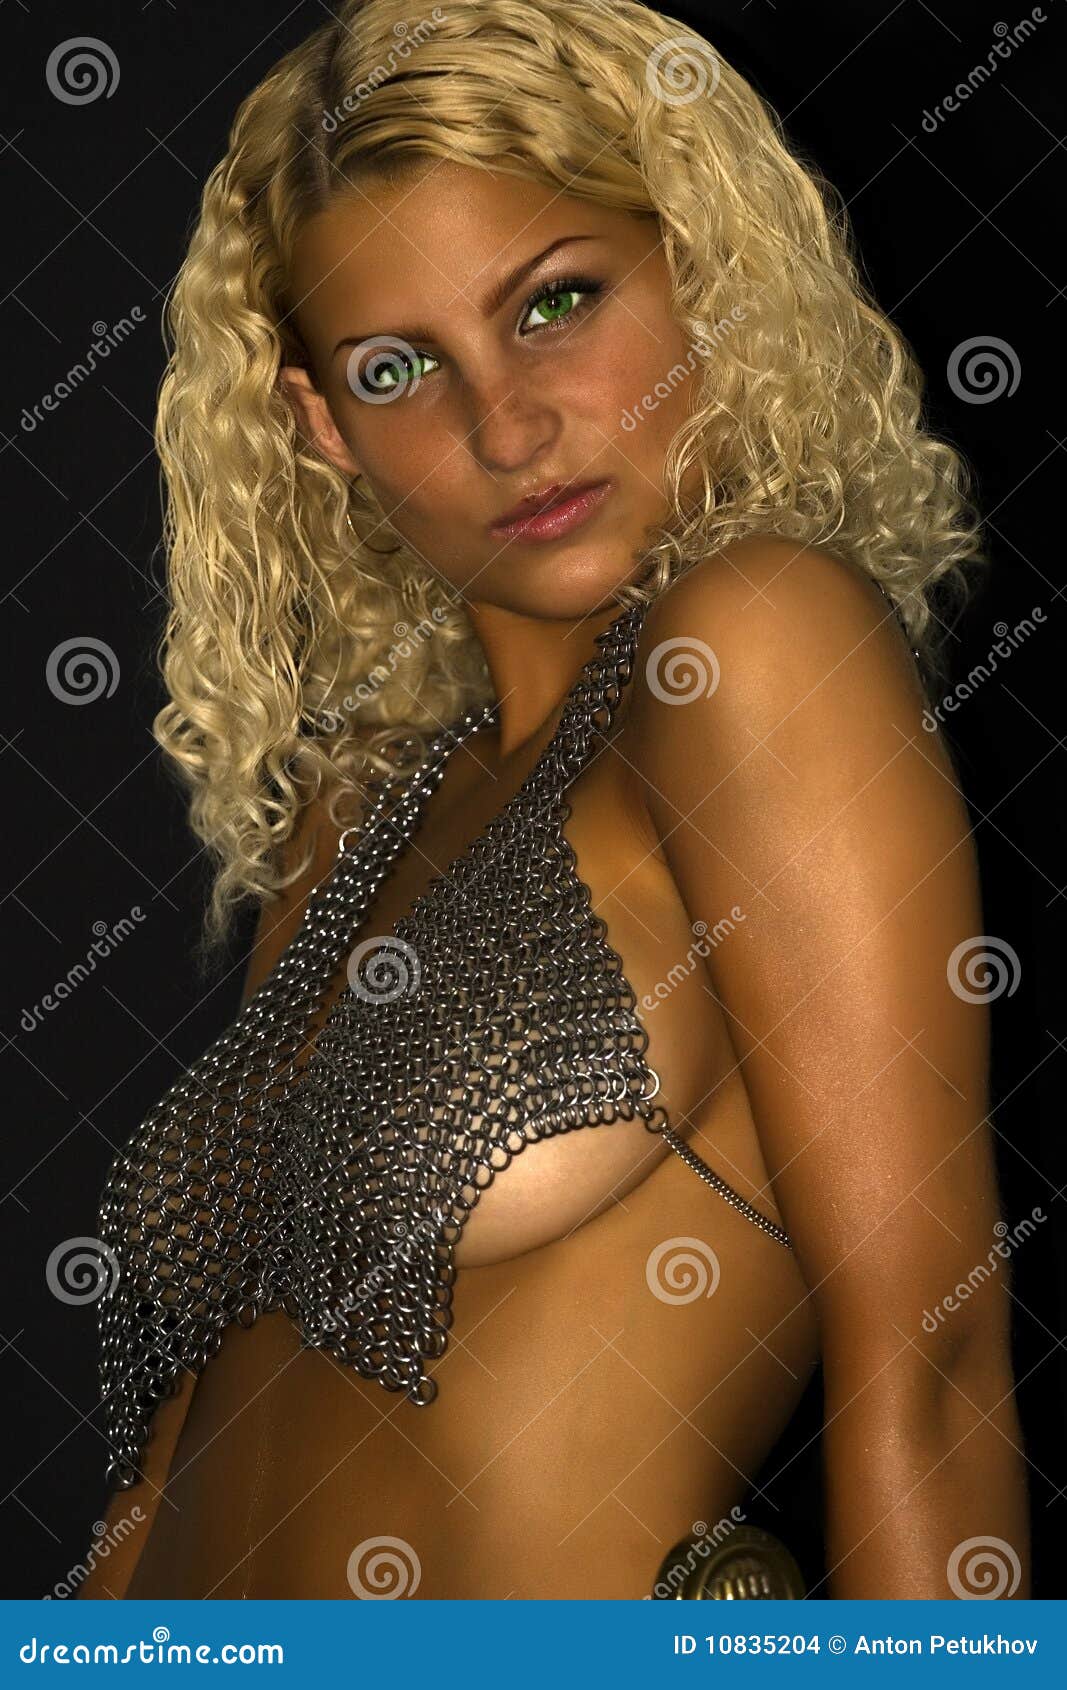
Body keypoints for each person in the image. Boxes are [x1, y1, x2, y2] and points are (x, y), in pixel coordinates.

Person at [78, 0, 1029, 1601]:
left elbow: (929, 1353)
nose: (507, 427)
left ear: (700, 271)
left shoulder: (752, 648)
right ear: (321, 424)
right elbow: (173, 1462)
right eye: (397, 368)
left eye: (556, 303)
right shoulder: (357, 808)